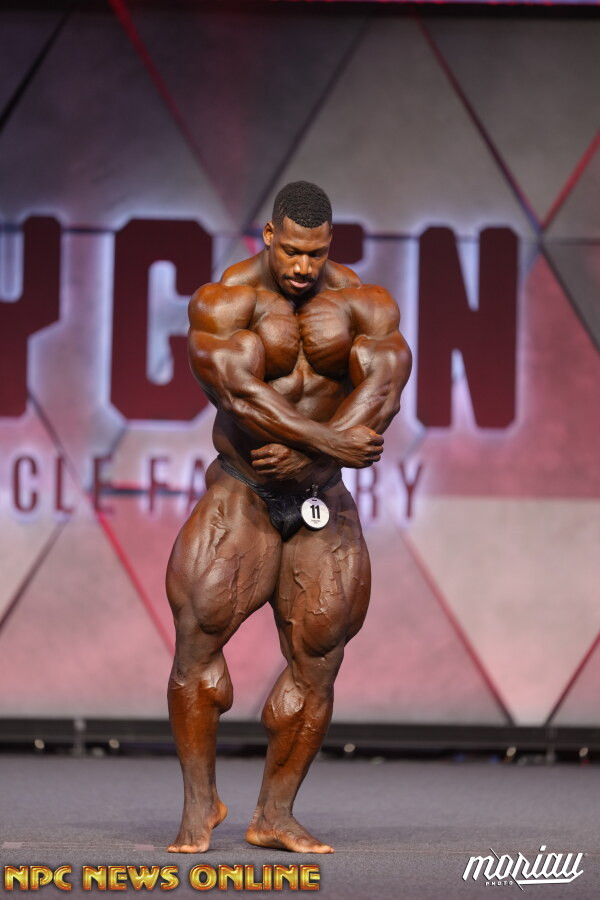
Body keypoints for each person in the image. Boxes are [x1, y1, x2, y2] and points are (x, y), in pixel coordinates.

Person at [166, 181, 411, 854]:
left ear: (331, 244)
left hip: (319, 498)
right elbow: (238, 394)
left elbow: (385, 388)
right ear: (269, 235)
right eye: (292, 251)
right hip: (242, 491)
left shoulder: (365, 304)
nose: (303, 266)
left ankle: (275, 815)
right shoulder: (226, 300)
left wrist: (312, 460)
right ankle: (199, 805)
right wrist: (329, 441)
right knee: (196, 641)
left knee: (320, 657)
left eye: (316, 253)